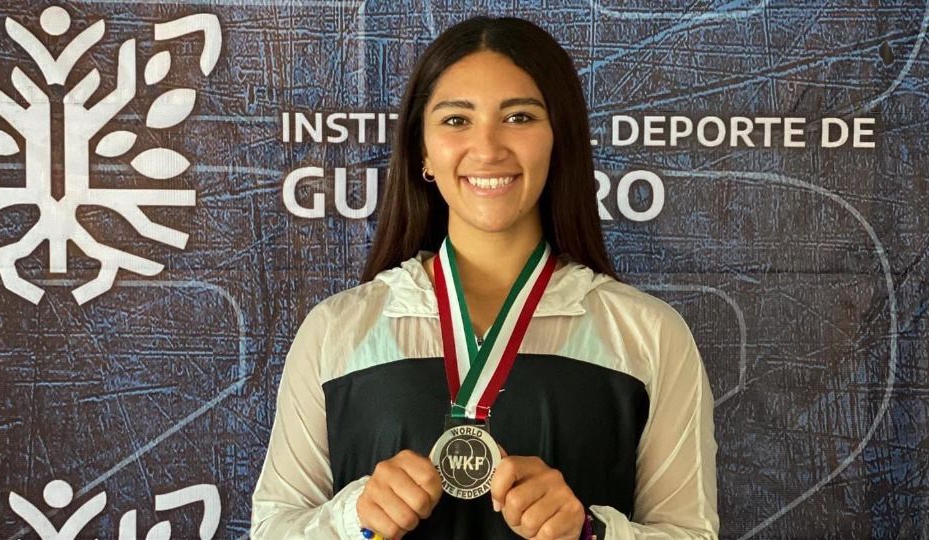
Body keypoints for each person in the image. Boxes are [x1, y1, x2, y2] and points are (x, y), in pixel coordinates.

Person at [251, 16, 718, 540]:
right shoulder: (337, 331)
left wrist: (589, 532)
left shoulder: (648, 334)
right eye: (456, 120)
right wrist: (353, 516)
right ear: (423, 151)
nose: (489, 147)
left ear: (559, 140)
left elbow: (691, 533)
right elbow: (272, 528)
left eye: (519, 117)